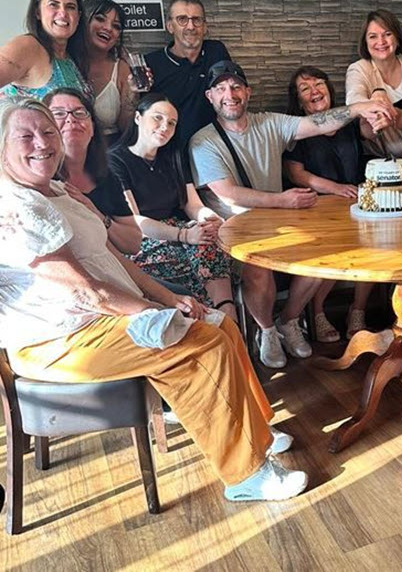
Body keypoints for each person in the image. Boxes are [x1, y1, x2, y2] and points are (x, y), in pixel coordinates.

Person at [0, 97, 307, 502]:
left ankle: (258, 433)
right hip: (60, 340)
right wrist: (153, 310)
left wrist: (169, 297)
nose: (41, 143)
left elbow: (113, 256)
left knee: (221, 324)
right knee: (201, 344)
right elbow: (83, 290)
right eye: (25, 136)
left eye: (47, 132)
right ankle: (246, 475)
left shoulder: (58, 190)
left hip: (103, 317)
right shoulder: (15, 206)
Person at [189, 60, 392, 368]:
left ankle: (289, 319)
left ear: (247, 92)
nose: (229, 95)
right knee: (258, 266)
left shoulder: (270, 123)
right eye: (221, 89)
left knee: (321, 254)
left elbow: (321, 123)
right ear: (210, 97)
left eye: (236, 87)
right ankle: (267, 331)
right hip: (235, 228)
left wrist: (361, 107)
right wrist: (283, 201)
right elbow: (228, 193)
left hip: (279, 222)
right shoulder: (203, 141)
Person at [109, 93, 236, 319]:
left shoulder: (173, 155)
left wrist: (210, 218)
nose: (164, 127)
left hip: (179, 229)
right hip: (141, 240)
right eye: (157, 118)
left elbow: (192, 204)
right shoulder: (116, 160)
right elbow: (135, 221)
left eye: (171, 123)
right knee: (183, 261)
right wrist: (184, 235)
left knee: (210, 240)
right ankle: (204, 319)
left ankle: (227, 314)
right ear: (138, 118)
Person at [284, 65, 375, 341]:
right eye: (305, 88)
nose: (314, 91)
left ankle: (357, 311)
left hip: (355, 203)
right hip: (316, 207)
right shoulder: (296, 129)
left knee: (375, 245)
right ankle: (318, 313)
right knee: (331, 251)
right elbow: (296, 174)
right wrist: (335, 189)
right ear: (298, 100)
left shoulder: (348, 123)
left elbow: (370, 135)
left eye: (319, 84)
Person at [43, 87, 141, 255]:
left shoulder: (106, 175)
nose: (71, 119)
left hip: (114, 261)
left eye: (79, 113)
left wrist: (96, 214)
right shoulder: (43, 180)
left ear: (93, 127)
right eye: (59, 114)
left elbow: (133, 244)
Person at [145, 0, 231, 145]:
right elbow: (144, 117)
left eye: (196, 20)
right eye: (182, 19)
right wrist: (131, 92)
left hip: (214, 145)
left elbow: (232, 93)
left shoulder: (216, 51)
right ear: (170, 26)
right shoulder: (152, 63)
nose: (191, 27)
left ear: (205, 27)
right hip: (170, 148)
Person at [345, 9, 402, 159]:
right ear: (365, 42)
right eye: (373, 36)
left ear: (397, 37)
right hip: (383, 162)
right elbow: (353, 100)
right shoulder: (358, 69)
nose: (381, 42)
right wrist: (376, 96)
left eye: (387, 34)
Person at [0, 0, 89, 100]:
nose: (63, 13)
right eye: (53, 5)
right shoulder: (27, 46)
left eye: (70, 7)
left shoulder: (71, 57)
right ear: (38, 12)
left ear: (78, 17)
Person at [81, 0, 138, 145]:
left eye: (116, 26)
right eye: (100, 19)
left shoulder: (121, 68)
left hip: (109, 150)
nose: (108, 28)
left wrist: (133, 93)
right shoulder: (64, 62)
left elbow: (127, 129)